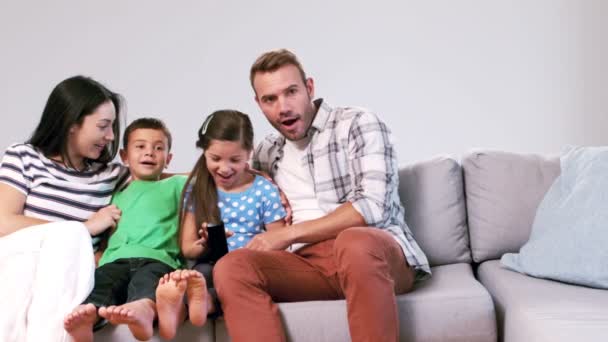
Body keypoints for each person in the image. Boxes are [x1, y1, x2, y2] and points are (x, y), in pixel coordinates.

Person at [212, 49, 432, 342]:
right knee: (232, 267)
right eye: (270, 99)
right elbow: (227, 183)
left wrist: (288, 235)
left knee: (354, 241)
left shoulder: (357, 123)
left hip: (373, 254)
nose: (283, 107)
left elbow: (372, 206)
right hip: (307, 265)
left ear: (310, 88)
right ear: (258, 103)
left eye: (291, 92)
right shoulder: (266, 151)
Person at [0, 75, 128, 342]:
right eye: (103, 126)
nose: (111, 136)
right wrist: (82, 229)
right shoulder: (23, 157)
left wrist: (235, 169)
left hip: (71, 281)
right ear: (72, 123)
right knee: (70, 237)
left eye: (113, 126)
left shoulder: (110, 175)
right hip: (20, 267)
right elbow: (3, 223)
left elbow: (167, 180)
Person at [154, 110, 287, 340]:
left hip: (247, 266)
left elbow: (280, 241)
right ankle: (185, 306)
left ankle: (207, 302)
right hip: (210, 262)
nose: (224, 169)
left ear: (249, 152)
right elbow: (187, 248)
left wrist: (256, 250)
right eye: (215, 158)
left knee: (231, 280)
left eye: (235, 160)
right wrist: (205, 243)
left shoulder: (263, 189)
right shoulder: (198, 188)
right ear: (204, 152)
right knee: (197, 274)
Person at [63, 118, 188, 342]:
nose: (149, 153)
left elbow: (208, 179)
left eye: (158, 148)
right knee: (101, 284)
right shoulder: (115, 193)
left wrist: (250, 173)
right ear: (124, 156)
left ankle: (144, 309)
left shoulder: (176, 185)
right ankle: (89, 318)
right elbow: (108, 233)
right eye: (140, 147)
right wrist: (99, 253)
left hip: (157, 259)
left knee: (148, 282)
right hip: (115, 260)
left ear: (168, 159)